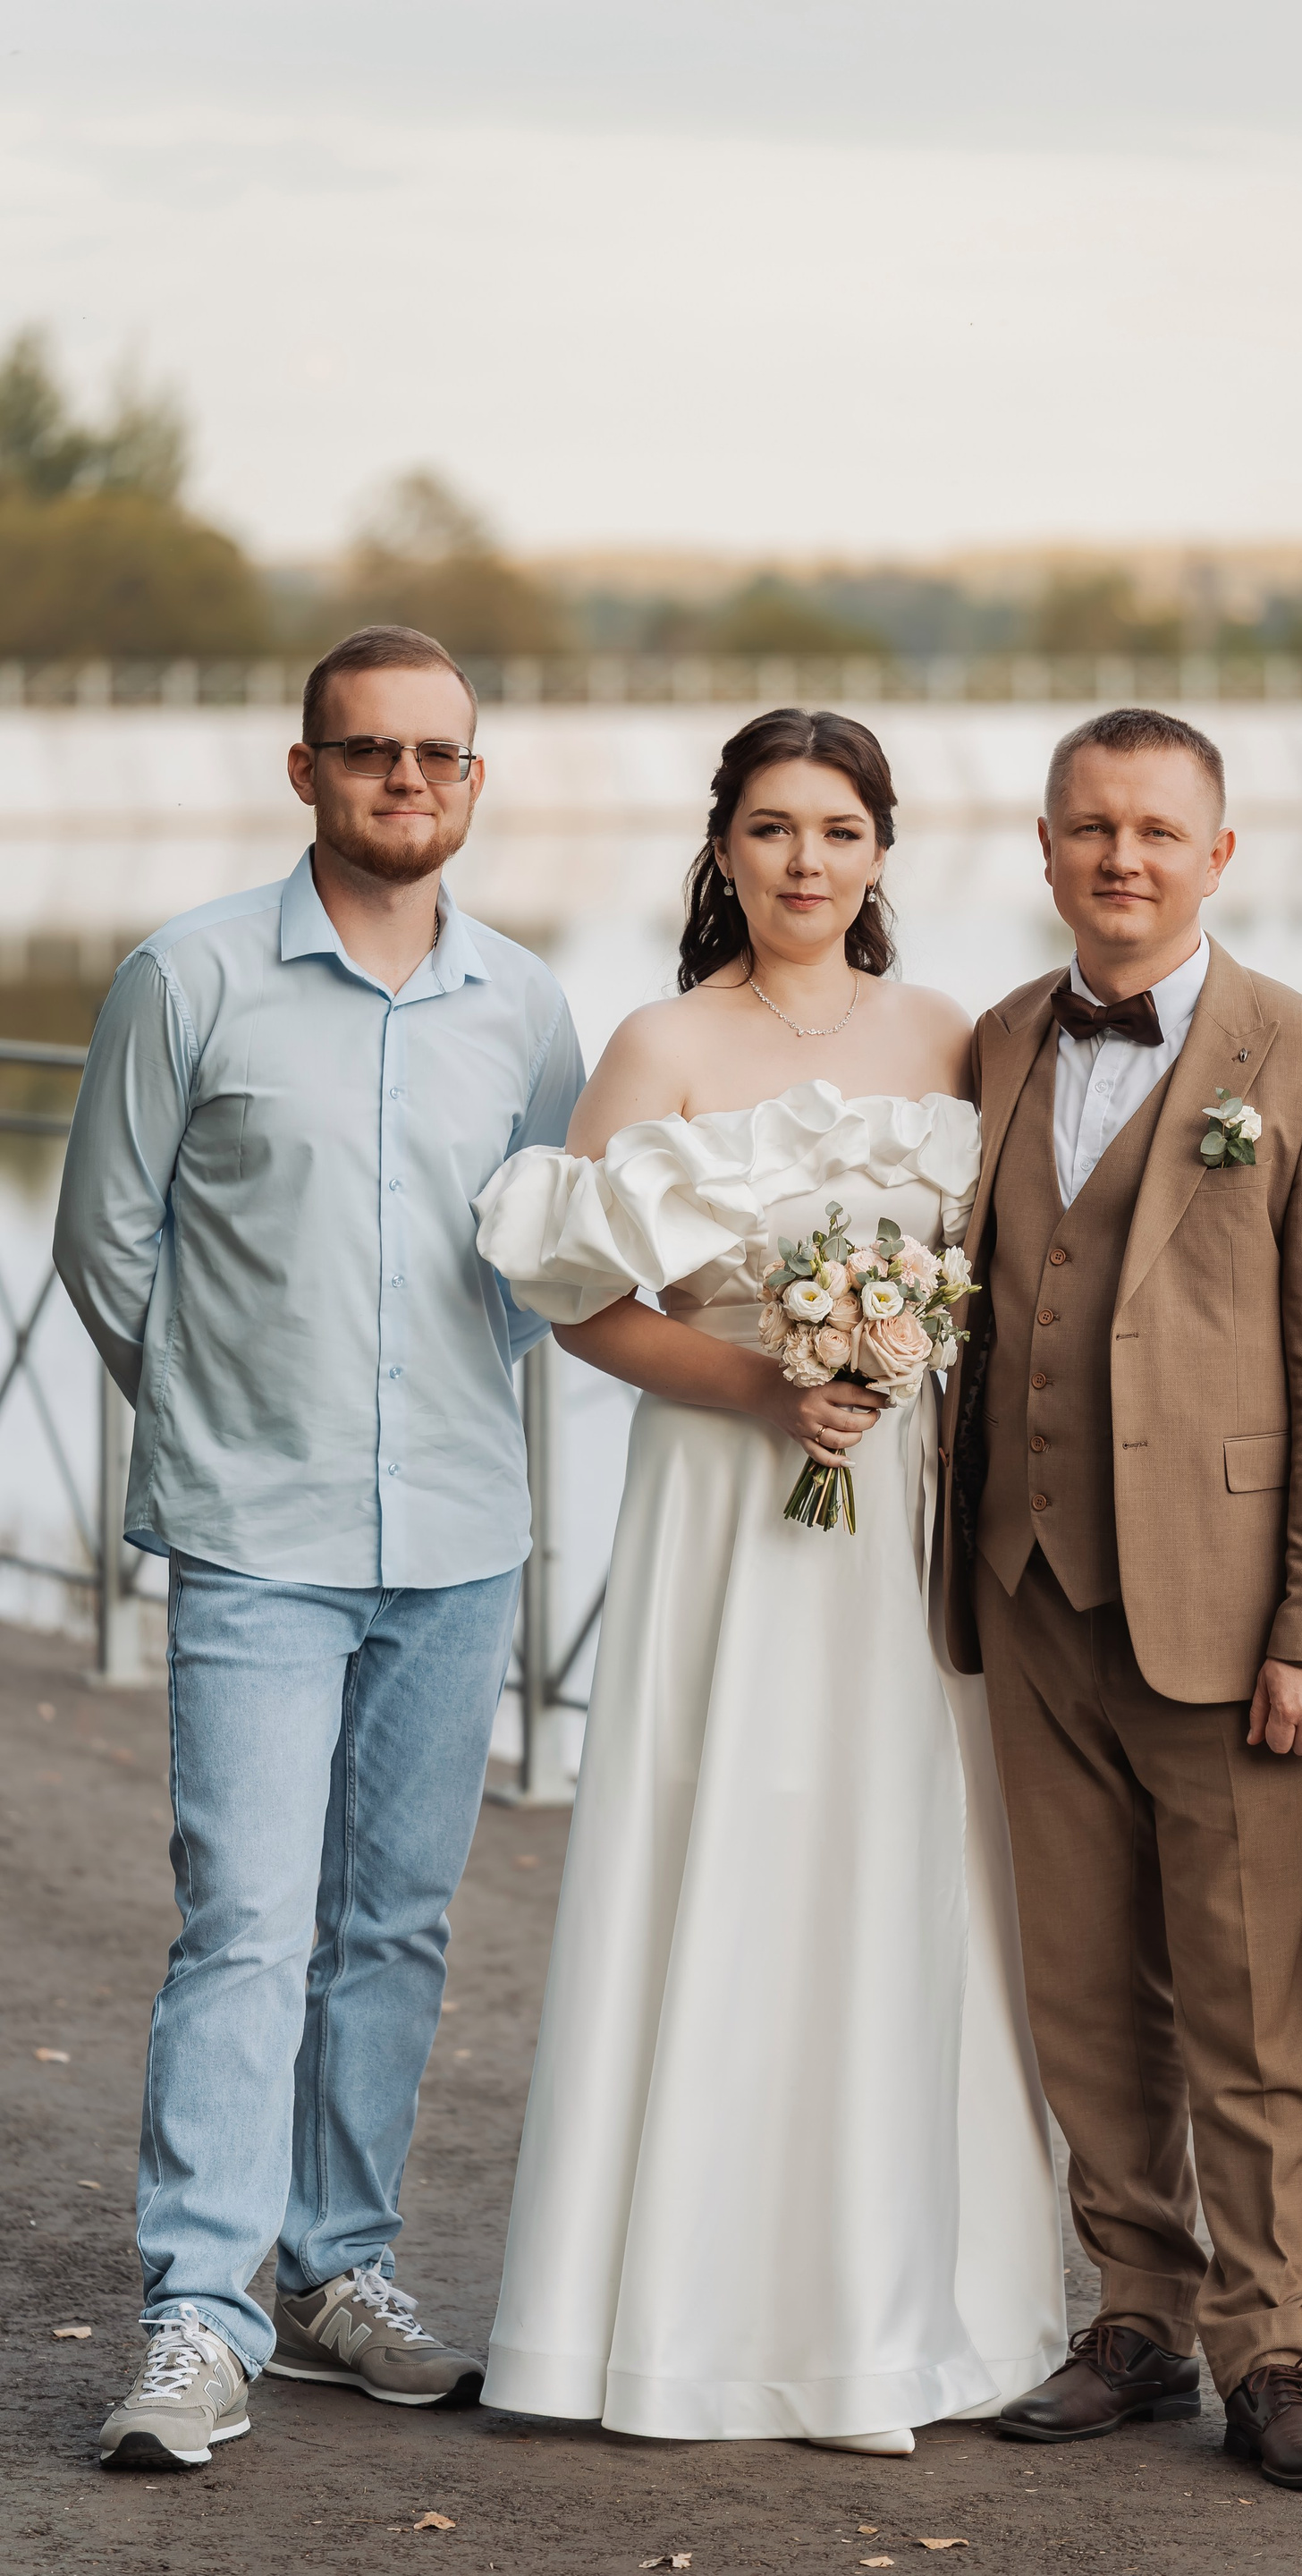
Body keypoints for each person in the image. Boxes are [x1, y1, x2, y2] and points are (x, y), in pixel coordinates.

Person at [471, 707, 1067, 2454]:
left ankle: (902, 2316)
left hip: (907, 1517)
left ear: (883, 852)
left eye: (839, 830)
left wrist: (899, 1368)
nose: (807, 861)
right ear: (721, 846)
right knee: (720, 1850)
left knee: (905, 1869)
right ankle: (685, 2323)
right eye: (773, 827)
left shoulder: (954, 1033)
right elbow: (574, 1301)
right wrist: (761, 1384)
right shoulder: (658, 1043)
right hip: (728, 1510)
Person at [54, 625, 584, 2471]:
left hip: (461, 1533)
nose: (404, 781)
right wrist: (228, 1417)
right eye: (368, 751)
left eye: (438, 754)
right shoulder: (183, 977)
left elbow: (538, 1265)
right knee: (246, 1923)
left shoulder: (528, 1007)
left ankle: (336, 2271)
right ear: (307, 772)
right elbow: (105, 1245)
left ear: (474, 779)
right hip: (256, 1536)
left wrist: (438, 1404)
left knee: (396, 1926)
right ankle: (200, 2315)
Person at [941, 705, 1302, 2492]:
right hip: (1029, 1583)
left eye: (1154, 830)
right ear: (1047, 849)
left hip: (1230, 1612)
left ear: (1219, 854)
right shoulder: (996, 1041)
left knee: (1246, 2005)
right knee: (1082, 1989)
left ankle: (1269, 2345)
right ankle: (1134, 2313)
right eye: (1089, 827)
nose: (1119, 857)